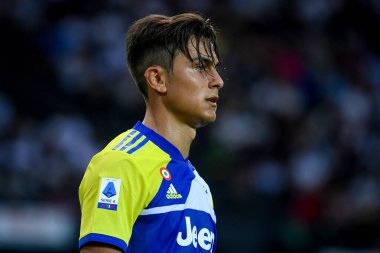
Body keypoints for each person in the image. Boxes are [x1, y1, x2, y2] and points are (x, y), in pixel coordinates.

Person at [78, 12, 224, 253]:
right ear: (157, 79)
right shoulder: (121, 164)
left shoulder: (201, 187)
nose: (218, 81)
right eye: (200, 67)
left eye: (215, 69)